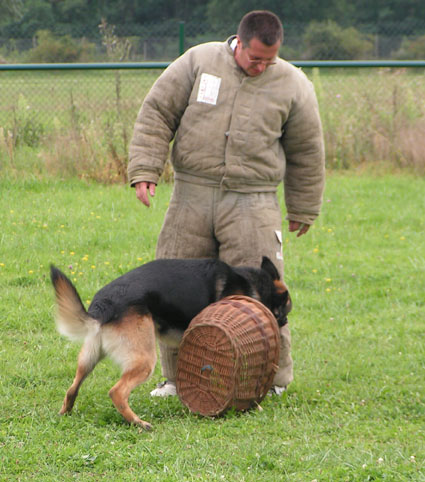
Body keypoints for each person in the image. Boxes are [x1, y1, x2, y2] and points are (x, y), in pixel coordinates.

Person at [127, 10, 325, 397]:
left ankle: (270, 379)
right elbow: (156, 113)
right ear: (239, 42)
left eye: (270, 60)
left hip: (253, 200)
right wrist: (145, 169)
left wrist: (304, 206)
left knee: (264, 292)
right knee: (176, 286)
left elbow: (307, 151)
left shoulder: (293, 84)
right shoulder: (197, 62)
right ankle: (178, 378)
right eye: (256, 59)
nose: (262, 67)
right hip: (191, 194)